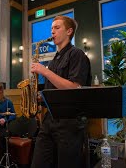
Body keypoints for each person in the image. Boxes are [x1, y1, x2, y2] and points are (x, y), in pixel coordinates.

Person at [30, 15, 92, 168]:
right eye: (52, 28)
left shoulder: (77, 54)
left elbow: (74, 88)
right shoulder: (54, 60)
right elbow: (53, 90)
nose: (52, 32)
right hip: (49, 120)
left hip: (69, 123)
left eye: (57, 28)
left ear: (69, 31)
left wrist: (45, 71)